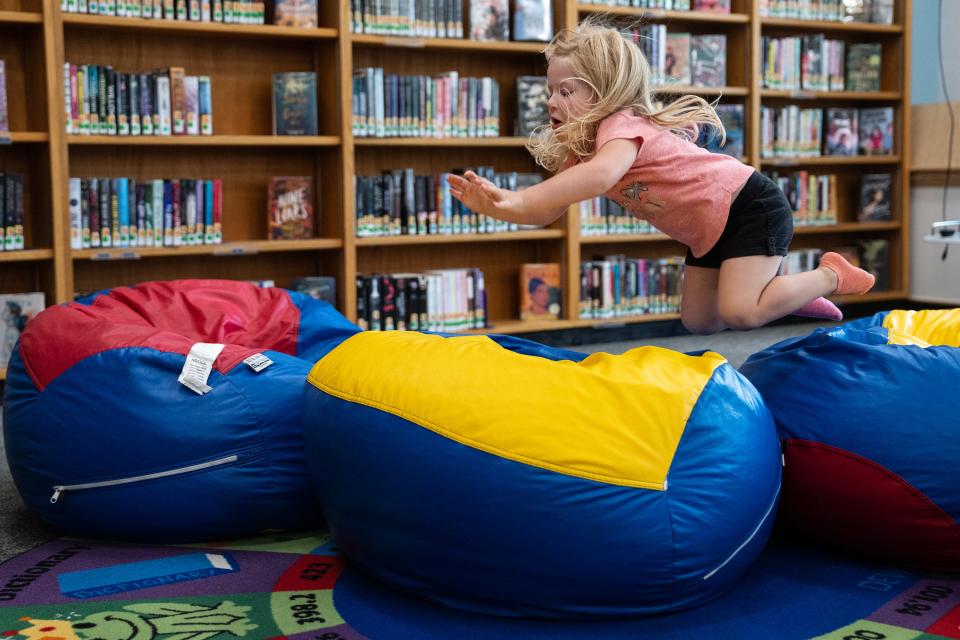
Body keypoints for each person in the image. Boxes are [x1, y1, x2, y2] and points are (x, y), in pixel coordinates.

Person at [447, 21, 875, 334]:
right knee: (700, 321)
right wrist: (498, 207)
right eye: (549, 92)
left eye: (565, 90)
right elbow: (546, 214)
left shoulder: (620, 124)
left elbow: (603, 176)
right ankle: (787, 293)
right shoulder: (580, 153)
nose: (551, 101)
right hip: (709, 230)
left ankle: (831, 275)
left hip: (747, 205)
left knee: (741, 312)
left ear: (603, 90)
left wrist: (518, 197)